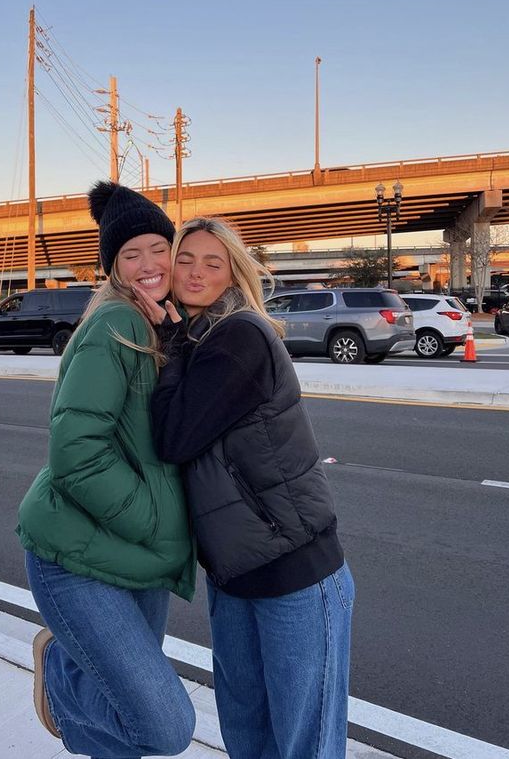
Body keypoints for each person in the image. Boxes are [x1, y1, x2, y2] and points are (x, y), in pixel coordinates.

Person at [139, 217, 354, 759]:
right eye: (185, 258)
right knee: (248, 735)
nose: (194, 272)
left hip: (295, 570)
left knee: (302, 744)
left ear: (233, 273)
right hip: (234, 576)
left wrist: (168, 340)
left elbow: (175, 436)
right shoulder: (199, 336)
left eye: (213, 263)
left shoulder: (239, 336)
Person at [17, 181, 196, 757]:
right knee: (164, 726)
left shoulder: (160, 325)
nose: (149, 264)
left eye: (157, 248)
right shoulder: (113, 326)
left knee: (124, 726)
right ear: (114, 268)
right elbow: (76, 453)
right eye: (130, 254)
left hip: (137, 557)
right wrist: (153, 522)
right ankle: (62, 673)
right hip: (78, 558)